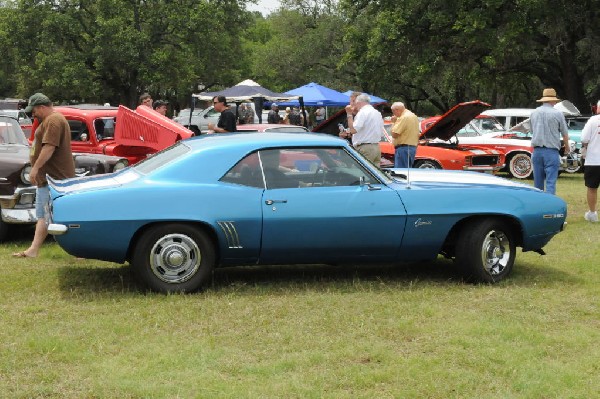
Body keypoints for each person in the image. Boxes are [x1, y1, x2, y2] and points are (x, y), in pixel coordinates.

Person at [13, 93, 75, 258]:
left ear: (41, 107)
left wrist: (34, 169)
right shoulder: (48, 121)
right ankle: (33, 250)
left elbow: (49, 148)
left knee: (53, 215)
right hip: (49, 179)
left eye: (34, 111)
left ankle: (79, 250)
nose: (33, 114)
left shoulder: (53, 121)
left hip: (54, 179)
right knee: (44, 215)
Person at [530, 88, 570, 194]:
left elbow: (532, 130)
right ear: (553, 100)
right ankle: (549, 208)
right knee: (550, 182)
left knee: (537, 184)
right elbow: (565, 134)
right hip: (551, 151)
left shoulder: (534, 113)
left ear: (543, 100)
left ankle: (538, 206)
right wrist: (567, 147)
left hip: (537, 151)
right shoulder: (558, 114)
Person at [344, 93, 382, 165]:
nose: (351, 104)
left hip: (365, 148)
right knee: (375, 173)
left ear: (358, 102)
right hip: (376, 147)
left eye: (353, 101)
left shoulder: (363, 112)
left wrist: (349, 114)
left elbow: (353, 130)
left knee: (362, 173)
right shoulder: (376, 112)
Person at [581, 100, 600, 222]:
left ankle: (592, 213)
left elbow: (584, 138)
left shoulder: (593, 120)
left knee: (592, 188)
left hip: (594, 159)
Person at [390, 102, 420, 168]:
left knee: (400, 173)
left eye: (393, 111)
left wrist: (393, 122)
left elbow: (394, 134)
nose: (393, 114)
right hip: (411, 147)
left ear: (397, 110)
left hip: (403, 148)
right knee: (407, 171)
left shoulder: (403, 117)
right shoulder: (413, 116)